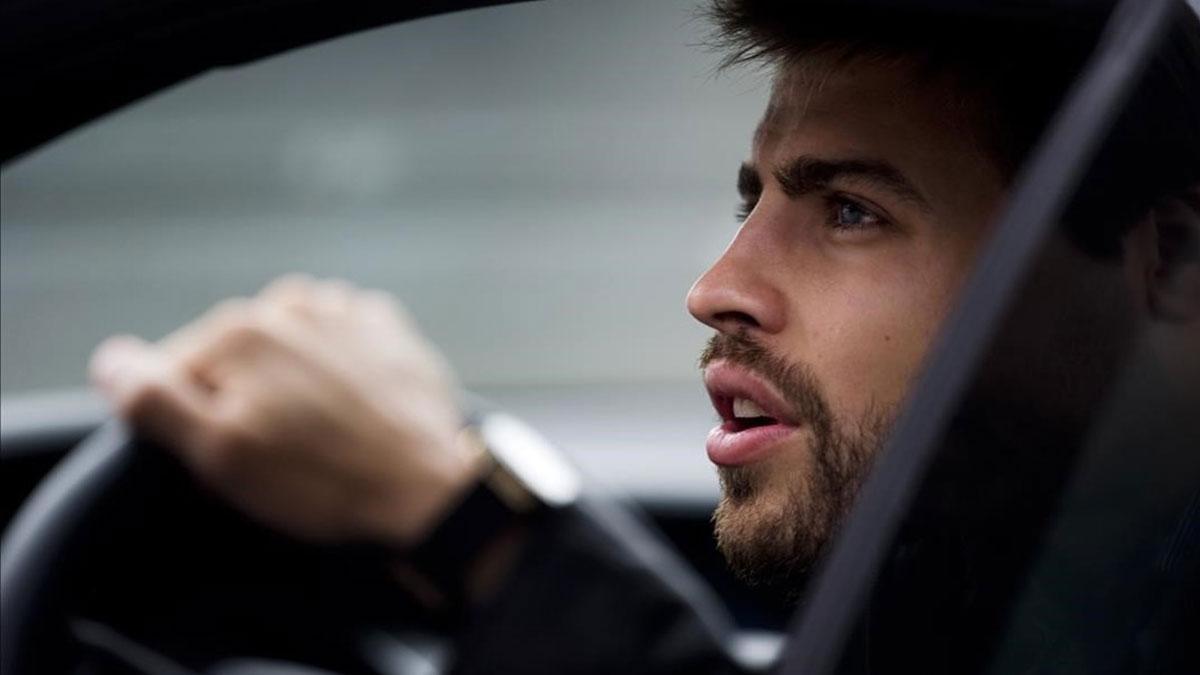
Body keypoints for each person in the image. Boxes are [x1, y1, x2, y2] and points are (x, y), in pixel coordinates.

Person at [85, 0, 1200, 672]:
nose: (716, 288)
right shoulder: (1032, 597)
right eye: (748, 202)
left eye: (851, 211)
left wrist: (471, 521)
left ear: (1173, 262)